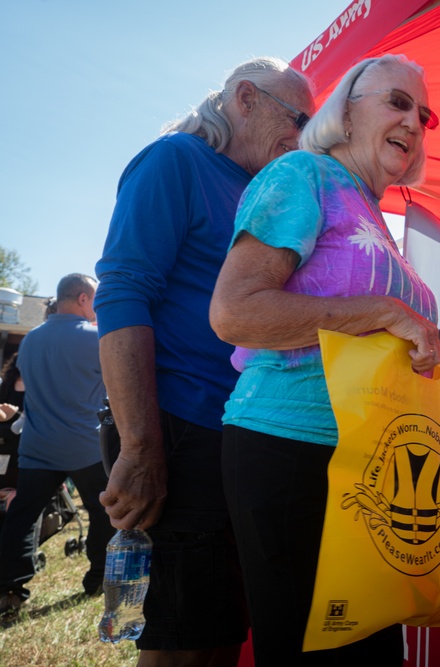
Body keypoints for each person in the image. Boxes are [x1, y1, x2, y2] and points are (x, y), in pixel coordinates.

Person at [209, 54, 440, 665]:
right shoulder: (303, 176)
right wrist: (384, 311)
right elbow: (234, 313)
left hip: (366, 461)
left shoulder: (370, 211)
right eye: (396, 102)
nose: (414, 121)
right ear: (345, 110)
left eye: (424, 113)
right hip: (290, 449)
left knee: (369, 649)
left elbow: (372, 347)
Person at [93, 57, 314, 664]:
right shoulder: (177, 160)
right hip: (179, 425)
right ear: (246, 99)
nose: (307, 137)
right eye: (300, 119)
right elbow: (122, 291)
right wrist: (140, 448)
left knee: (219, 630)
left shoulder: (263, 192)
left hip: (239, 433)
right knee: (189, 642)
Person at [0, 274, 113, 616]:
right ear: (82, 298)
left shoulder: (31, 340)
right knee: (103, 512)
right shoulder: (97, 338)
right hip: (85, 446)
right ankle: (98, 579)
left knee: (22, 517)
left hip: (37, 446)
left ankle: (9, 589)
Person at [0, 352, 25, 488]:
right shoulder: (6, 384)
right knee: (3, 472)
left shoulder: (38, 383)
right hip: (6, 434)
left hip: (25, 433)